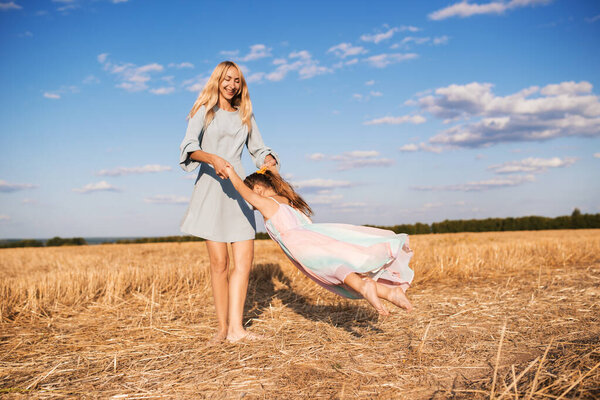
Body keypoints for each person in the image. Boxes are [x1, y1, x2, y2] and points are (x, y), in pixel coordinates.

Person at [223, 165, 415, 316]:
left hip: (301, 244)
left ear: (258, 189)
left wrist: (231, 173)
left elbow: (244, 191)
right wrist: (275, 173)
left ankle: (365, 286)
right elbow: (278, 187)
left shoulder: (266, 203)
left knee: (330, 270)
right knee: (336, 267)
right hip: (315, 235)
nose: (251, 204)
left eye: (251, 198)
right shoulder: (285, 199)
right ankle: (390, 292)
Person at [179, 61, 279, 343]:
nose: (232, 85)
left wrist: (268, 160)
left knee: (244, 262)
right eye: (227, 79)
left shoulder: (245, 115)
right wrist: (212, 158)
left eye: (237, 80)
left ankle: (237, 330)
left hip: (238, 189)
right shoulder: (205, 111)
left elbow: (258, 148)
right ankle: (222, 328)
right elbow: (189, 147)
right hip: (211, 187)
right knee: (220, 263)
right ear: (218, 81)